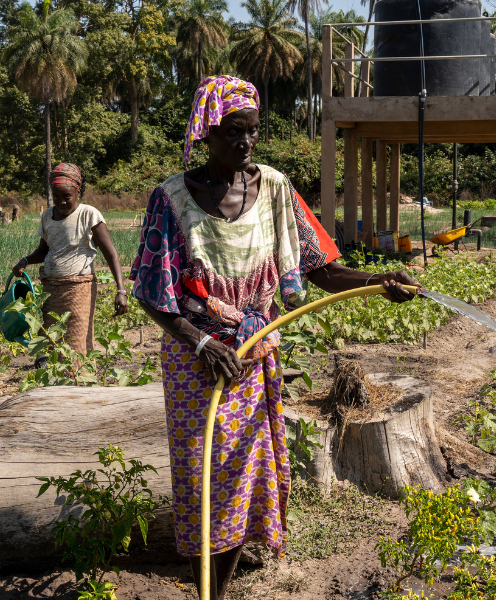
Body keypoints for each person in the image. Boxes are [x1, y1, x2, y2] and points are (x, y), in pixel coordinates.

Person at [129, 75, 421, 600]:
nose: (245, 143)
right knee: (205, 476)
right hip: (198, 361)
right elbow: (153, 292)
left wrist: (379, 282)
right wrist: (200, 341)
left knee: (246, 472)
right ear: (206, 131)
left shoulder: (276, 189)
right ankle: (208, 588)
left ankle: (217, 589)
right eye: (233, 131)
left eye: (253, 131)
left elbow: (322, 270)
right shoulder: (172, 199)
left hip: (253, 354)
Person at [13, 163, 129, 360]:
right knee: (50, 340)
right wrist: (25, 260)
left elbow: (111, 255)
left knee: (76, 342)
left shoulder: (88, 214)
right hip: (50, 290)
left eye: (67, 196)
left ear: (78, 192)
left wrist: (121, 291)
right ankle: (51, 385)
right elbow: (43, 250)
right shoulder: (47, 215)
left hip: (79, 291)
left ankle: (77, 383)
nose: (61, 202)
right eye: (56, 197)